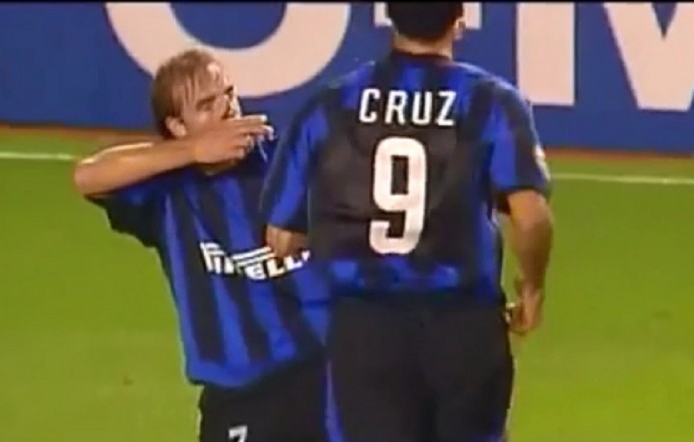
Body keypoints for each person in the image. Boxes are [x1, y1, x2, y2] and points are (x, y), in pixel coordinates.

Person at [261, 3, 554, 441]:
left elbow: (281, 236)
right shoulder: (491, 102)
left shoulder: (330, 105)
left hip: (368, 329)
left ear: (390, 19)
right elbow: (531, 219)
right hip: (465, 327)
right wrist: (532, 286)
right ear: (459, 23)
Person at [73, 49, 330, 442]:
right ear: (177, 126)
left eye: (229, 94)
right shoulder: (166, 194)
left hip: (321, 375)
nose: (227, 109)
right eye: (207, 106)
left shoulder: (286, 164)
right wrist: (193, 151)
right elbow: (87, 176)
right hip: (238, 395)